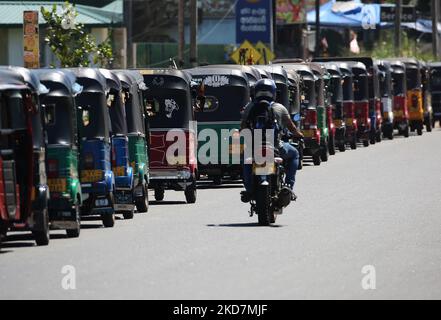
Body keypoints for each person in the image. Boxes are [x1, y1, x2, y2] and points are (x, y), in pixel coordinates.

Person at [240, 79, 303, 202]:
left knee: (245, 161)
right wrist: (298, 135)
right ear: (273, 93)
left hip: (254, 148)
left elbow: (243, 127)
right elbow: (292, 127)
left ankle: (248, 189)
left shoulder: (249, 107)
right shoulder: (280, 108)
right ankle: (288, 185)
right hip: (276, 147)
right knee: (294, 153)